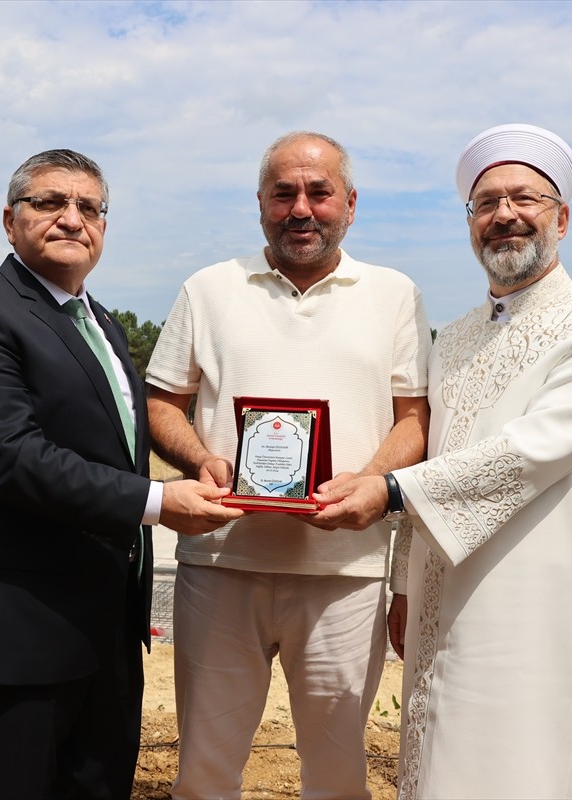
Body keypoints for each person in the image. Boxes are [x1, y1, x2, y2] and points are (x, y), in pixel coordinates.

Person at [315, 123, 572, 799]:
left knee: (519, 766)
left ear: (563, 216)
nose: (504, 216)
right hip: (440, 595)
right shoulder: (456, 337)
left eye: (523, 198)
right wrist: (407, 586)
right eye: (486, 203)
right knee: (436, 763)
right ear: (471, 224)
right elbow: (439, 451)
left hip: (534, 605)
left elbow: (529, 453)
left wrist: (387, 490)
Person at [0, 148, 241, 799]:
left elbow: (115, 443)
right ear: (10, 222)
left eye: (89, 207)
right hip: (15, 634)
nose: (72, 218)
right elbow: (14, 456)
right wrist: (156, 501)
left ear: (103, 228)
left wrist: (202, 459)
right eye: (50, 203)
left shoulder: (105, 328)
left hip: (106, 632)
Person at [146, 131, 431, 799]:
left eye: (319, 192)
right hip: (221, 565)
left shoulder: (393, 294)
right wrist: (201, 458)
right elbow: (162, 402)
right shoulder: (209, 288)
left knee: (336, 774)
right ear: (261, 204)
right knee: (205, 769)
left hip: (345, 571)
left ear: (351, 204)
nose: (301, 208)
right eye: (283, 194)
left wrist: (371, 486)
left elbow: (414, 417)